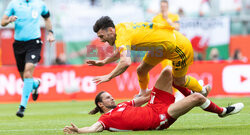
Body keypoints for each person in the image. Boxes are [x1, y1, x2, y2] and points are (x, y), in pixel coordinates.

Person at [63, 67, 244, 133]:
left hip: (155, 105)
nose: (112, 97)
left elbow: (144, 96)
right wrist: (79, 131)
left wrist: (156, 87)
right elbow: (93, 129)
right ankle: (222, 112)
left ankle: (190, 95)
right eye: (107, 98)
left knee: (168, 71)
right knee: (198, 97)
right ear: (101, 105)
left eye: (110, 95)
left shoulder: (124, 104)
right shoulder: (105, 120)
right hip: (160, 118)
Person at [87, 16, 210, 97]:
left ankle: (201, 89)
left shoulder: (122, 36)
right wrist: (104, 62)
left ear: (110, 30)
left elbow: (126, 62)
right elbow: (122, 51)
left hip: (178, 46)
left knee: (179, 81)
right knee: (141, 70)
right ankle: (143, 92)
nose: (102, 40)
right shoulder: (120, 29)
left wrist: (109, 76)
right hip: (161, 48)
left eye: (102, 36)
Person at [1, 0, 55, 118]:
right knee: (25, 78)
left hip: (34, 42)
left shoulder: (40, 4)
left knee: (27, 73)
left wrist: (50, 33)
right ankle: (36, 84)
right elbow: (3, 21)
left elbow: (47, 18)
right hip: (18, 44)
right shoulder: (14, 4)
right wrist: (9, 20)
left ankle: (22, 107)